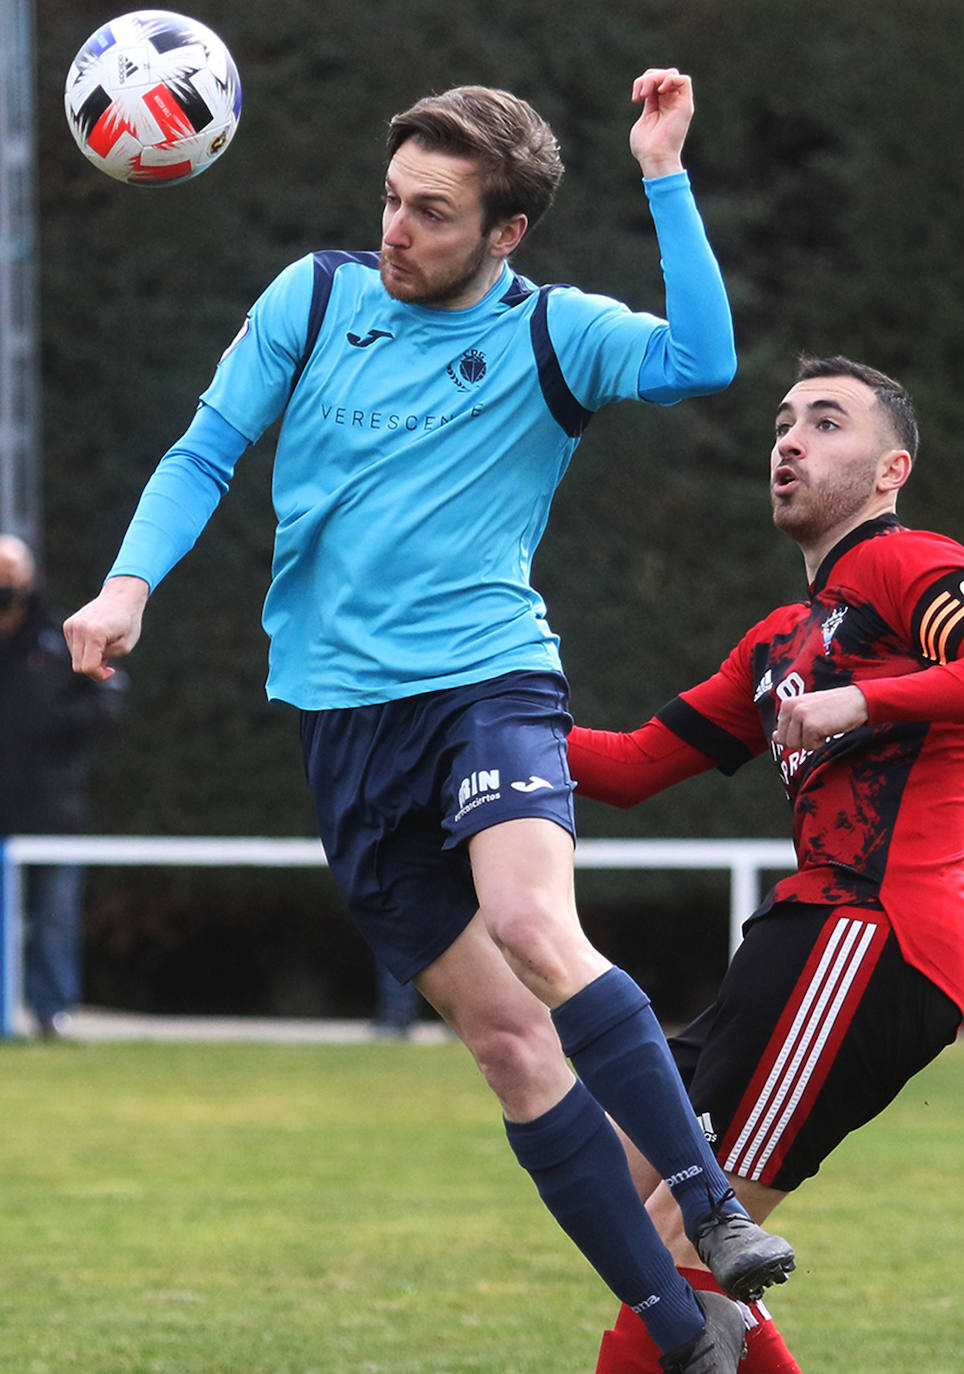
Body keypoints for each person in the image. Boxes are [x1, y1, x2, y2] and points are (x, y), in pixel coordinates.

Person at [63, 70, 795, 1373]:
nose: (396, 231)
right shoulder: (315, 295)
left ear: (506, 231)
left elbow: (703, 361)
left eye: (433, 213)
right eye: (392, 200)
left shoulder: (553, 333)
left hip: (486, 684)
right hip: (341, 726)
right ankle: (681, 1334)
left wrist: (663, 172)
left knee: (533, 925)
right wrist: (129, 585)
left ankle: (710, 1206)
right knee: (510, 1050)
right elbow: (204, 448)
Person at [566, 355, 964, 1373]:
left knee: (688, 1235)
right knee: (615, 1184)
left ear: (890, 471)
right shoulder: (776, 642)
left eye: (827, 422)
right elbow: (626, 767)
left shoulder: (905, 562)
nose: (790, 440)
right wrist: (469, 719)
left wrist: (865, 698)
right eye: (783, 423)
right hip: (799, 940)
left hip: (872, 937)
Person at [0, 534, 127, 1038]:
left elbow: (108, 696)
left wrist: (51, 724)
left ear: (29, 580)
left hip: (52, 807)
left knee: (53, 917)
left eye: (10, 575)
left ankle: (52, 1013)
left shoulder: (58, 639)